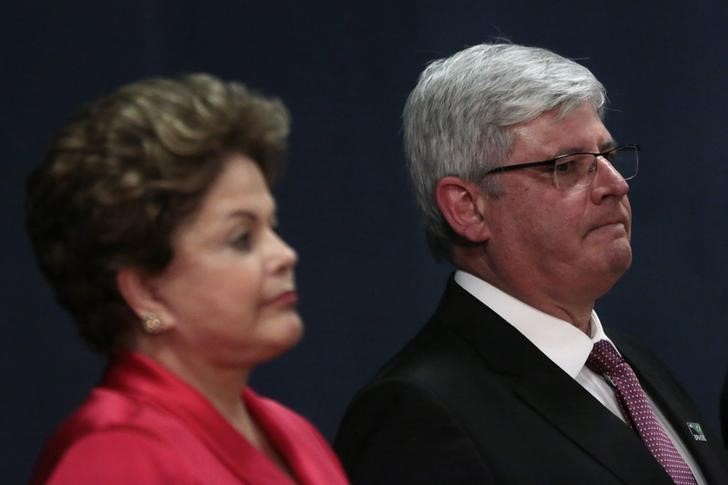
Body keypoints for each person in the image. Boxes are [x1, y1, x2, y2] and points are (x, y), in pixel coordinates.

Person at [333, 43, 728, 484]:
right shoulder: (417, 415)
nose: (615, 185)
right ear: (468, 208)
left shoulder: (633, 365)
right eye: (566, 165)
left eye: (608, 156)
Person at [27, 73, 348, 484]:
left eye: (273, 226)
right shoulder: (110, 458)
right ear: (146, 292)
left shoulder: (296, 435)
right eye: (241, 238)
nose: (285, 255)